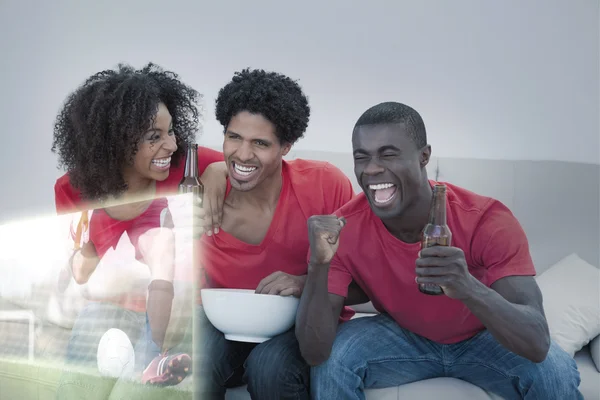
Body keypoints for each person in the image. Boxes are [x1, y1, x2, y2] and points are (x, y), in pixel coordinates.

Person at [296, 102, 584, 399]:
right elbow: (314, 353)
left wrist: (467, 287)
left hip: (485, 338)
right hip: (401, 336)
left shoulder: (487, 220)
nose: (371, 168)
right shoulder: (343, 229)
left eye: (388, 154)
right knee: (333, 362)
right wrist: (318, 265)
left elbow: (536, 343)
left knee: (555, 372)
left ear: (424, 156)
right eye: (362, 157)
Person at [51, 62, 227, 386]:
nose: (172, 145)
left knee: (163, 245)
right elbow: (81, 272)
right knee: (93, 316)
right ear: (116, 142)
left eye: (171, 130)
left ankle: (157, 360)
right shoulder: (73, 190)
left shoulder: (183, 164)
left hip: (176, 307)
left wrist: (216, 172)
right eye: (154, 136)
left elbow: (236, 164)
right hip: (111, 301)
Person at [186, 68, 356, 400]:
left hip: (300, 327)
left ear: (286, 146)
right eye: (234, 137)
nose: (243, 154)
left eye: (260, 143)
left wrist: (303, 283)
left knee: (270, 368)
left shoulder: (325, 186)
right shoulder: (202, 201)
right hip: (226, 328)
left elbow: (363, 283)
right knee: (196, 355)